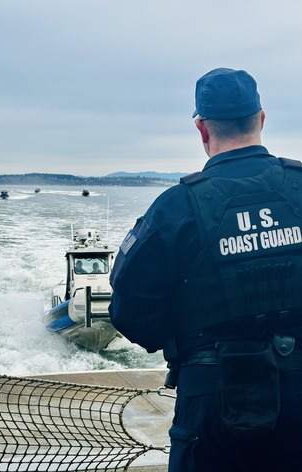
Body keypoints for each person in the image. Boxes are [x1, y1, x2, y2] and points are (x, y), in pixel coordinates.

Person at [109, 68, 302, 471]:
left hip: (212, 398)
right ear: (261, 119)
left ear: (201, 129)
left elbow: (131, 313)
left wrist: (194, 335)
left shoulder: (175, 207)